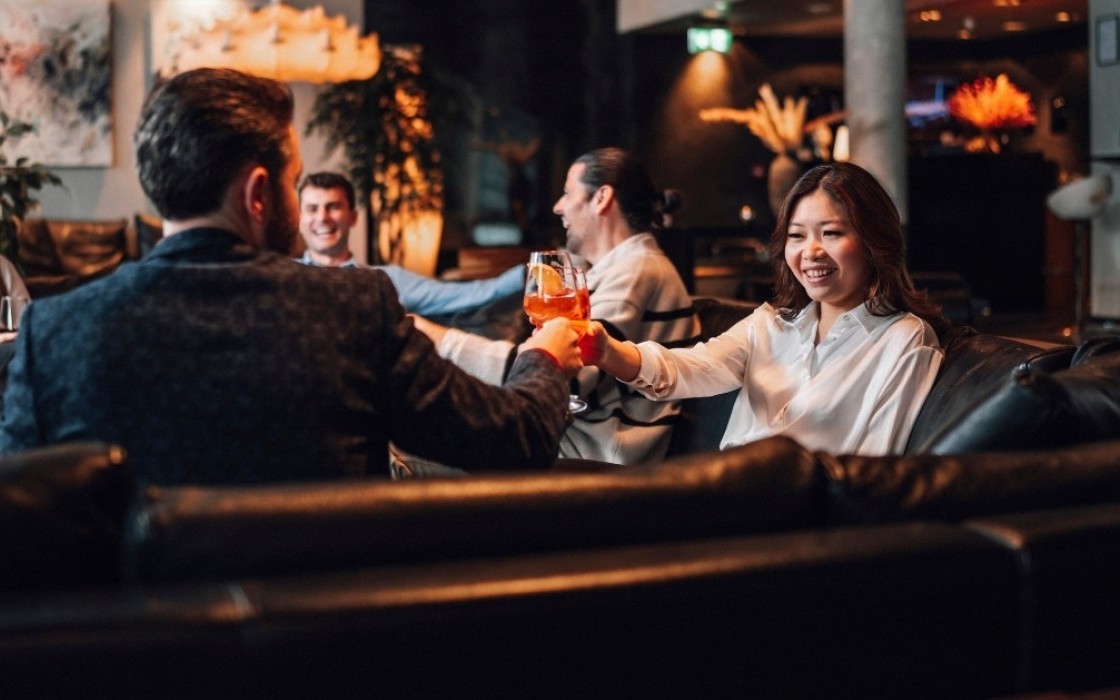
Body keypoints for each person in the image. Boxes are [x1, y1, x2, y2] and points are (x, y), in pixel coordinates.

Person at [0, 67, 582, 484]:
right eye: (293, 180)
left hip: (136, 624)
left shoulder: (52, 333)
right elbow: (514, 439)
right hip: (326, 618)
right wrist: (546, 356)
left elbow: (22, 518)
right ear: (258, 193)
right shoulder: (353, 309)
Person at [581, 161, 948, 456]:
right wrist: (606, 350)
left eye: (831, 233)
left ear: (874, 242)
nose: (811, 252)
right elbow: (690, 368)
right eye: (797, 235)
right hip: (728, 491)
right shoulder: (771, 323)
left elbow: (880, 465)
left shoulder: (904, 339)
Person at [413, 147, 700, 466]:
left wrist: (438, 339)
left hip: (596, 454)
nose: (557, 206)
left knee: (411, 451)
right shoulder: (614, 269)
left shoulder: (637, 270)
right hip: (574, 437)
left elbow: (562, 373)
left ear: (601, 198)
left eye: (567, 193)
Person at [297, 171, 525, 316]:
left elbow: (467, 293)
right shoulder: (282, 277)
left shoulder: (385, 281)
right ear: (300, 218)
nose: (322, 218)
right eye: (312, 209)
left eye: (333, 207)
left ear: (353, 217)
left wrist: (530, 273)